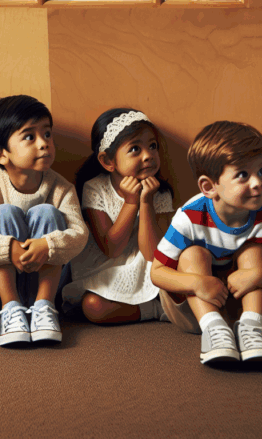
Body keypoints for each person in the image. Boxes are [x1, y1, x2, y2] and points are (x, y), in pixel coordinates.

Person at [151, 121, 262, 366]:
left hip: (244, 308)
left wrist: (257, 277)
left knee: (254, 251)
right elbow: (156, 273)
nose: (257, 183)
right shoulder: (190, 217)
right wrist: (198, 283)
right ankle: (215, 333)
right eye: (243, 174)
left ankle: (253, 330)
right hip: (195, 313)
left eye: (261, 170)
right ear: (209, 187)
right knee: (193, 254)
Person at [0, 95, 88, 346]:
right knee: (2, 213)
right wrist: (7, 247)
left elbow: (80, 234)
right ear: (0, 154)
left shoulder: (61, 188)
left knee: (47, 213)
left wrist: (48, 245)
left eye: (48, 134)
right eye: (30, 136)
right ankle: (11, 309)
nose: (44, 144)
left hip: (46, 281)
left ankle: (45, 307)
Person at [61, 108, 176, 324]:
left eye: (152, 146)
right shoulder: (95, 189)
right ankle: (153, 309)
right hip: (108, 267)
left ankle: (157, 303)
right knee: (93, 306)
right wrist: (131, 203)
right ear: (107, 161)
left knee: (182, 286)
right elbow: (112, 249)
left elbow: (153, 255)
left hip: (146, 263)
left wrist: (146, 202)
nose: (148, 155)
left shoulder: (159, 192)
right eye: (135, 148)